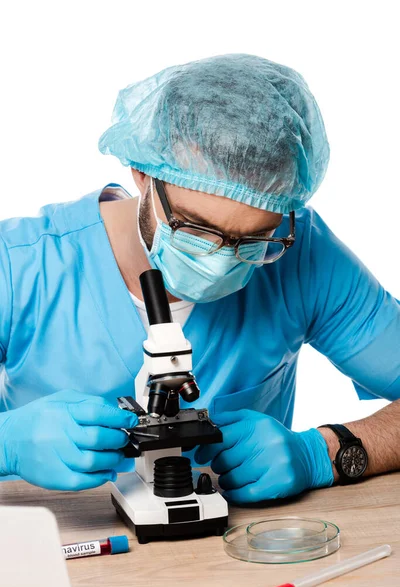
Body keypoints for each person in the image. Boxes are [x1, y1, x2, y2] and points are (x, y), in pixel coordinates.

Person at [0, 54, 399, 502]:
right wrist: (7, 444)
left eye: (253, 238)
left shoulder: (303, 254)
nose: (220, 259)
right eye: (195, 227)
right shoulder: (17, 265)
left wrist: (325, 452)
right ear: (143, 172)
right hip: (54, 555)